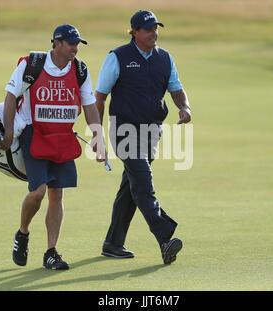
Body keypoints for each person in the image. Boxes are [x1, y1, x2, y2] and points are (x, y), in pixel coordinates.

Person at [0, 24, 107, 270]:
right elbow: (10, 96)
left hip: (63, 137)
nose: (75, 48)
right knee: (37, 192)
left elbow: (89, 105)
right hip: (34, 134)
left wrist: (98, 137)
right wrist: (7, 131)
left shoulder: (80, 69)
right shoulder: (31, 64)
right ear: (56, 43)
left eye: (77, 43)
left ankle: (51, 252)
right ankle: (23, 233)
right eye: (71, 43)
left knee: (56, 194)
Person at [95, 10, 191, 264]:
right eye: (148, 29)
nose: (153, 33)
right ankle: (165, 239)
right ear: (134, 32)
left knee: (132, 187)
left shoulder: (164, 58)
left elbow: (177, 89)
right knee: (143, 183)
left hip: (152, 133)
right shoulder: (117, 58)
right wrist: (97, 134)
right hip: (124, 131)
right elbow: (100, 96)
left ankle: (113, 243)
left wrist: (185, 107)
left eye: (156, 28)